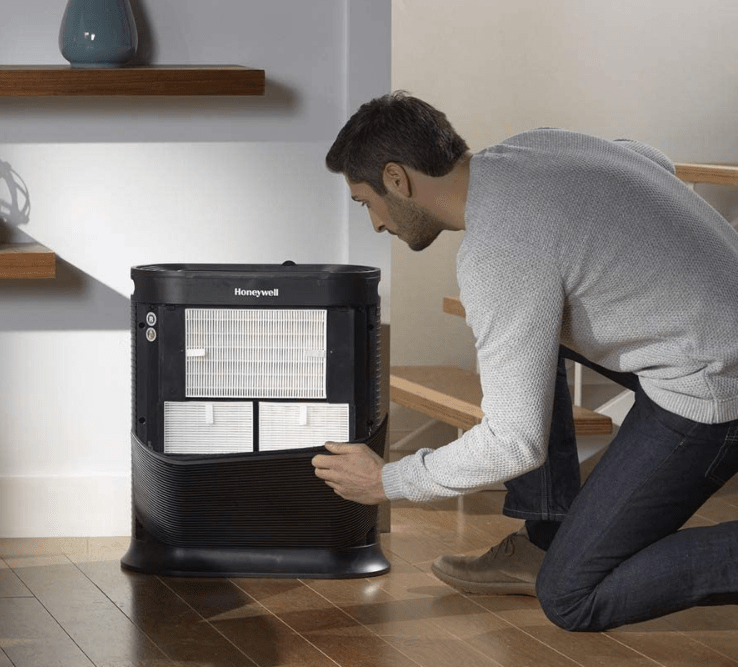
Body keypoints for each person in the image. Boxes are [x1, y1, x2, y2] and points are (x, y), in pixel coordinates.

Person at [312, 91, 738, 632]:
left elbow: (516, 441)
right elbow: (647, 158)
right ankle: (547, 535)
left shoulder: (500, 252)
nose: (374, 224)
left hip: (717, 386)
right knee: (535, 332)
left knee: (571, 597)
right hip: (713, 342)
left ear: (396, 179)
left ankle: (556, 556)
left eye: (365, 202)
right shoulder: (539, 148)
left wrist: (389, 481)